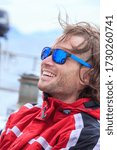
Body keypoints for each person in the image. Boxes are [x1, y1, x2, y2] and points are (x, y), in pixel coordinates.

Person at [0, 17, 100, 150]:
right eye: (47, 52)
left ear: (87, 76)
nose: (46, 61)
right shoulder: (25, 113)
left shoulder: (85, 135)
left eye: (60, 56)